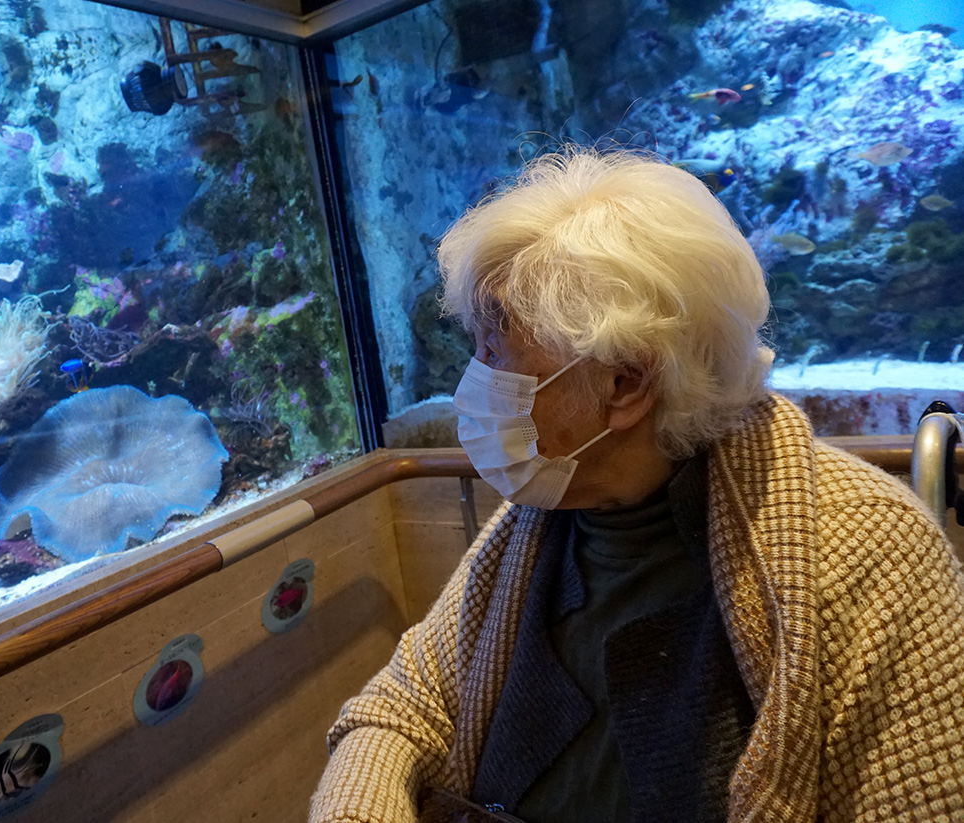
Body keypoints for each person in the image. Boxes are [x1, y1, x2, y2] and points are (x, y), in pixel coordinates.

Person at [309, 146, 964, 822]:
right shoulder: (541, 517)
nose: (471, 383)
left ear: (626, 382)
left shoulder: (867, 551)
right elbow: (401, 705)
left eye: (495, 351)